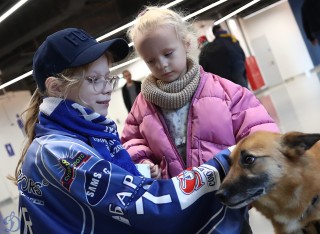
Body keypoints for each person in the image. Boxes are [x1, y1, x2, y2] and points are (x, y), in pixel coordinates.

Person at [12, 27, 250, 233]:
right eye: (94, 80)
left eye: (108, 78)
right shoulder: (60, 152)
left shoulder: (79, 136)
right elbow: (153, 206)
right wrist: (227, 162)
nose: (107, 89)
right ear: (56, 88)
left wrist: (136, 174)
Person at [122, 6, 279, 179]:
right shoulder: (141, 107)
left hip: (225, 189)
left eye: (168, 54)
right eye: (151, 61)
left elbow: (258, 131)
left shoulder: (226, 92)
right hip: (176, 198)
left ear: (186, 44)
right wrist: (143, 162)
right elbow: (131, 142)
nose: (161, 64)